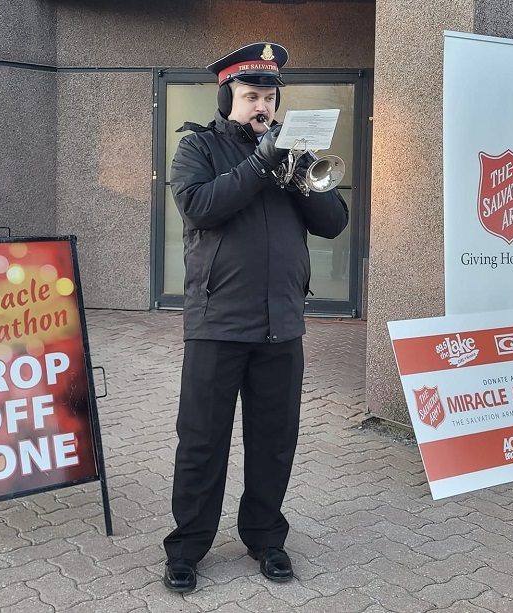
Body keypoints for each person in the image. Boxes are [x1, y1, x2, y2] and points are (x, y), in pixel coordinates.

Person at [162, 42, 349, 593]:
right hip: (217, 321)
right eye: (250, 96)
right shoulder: (198, 146)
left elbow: (333, 222)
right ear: (228, 98)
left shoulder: (292, 155)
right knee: (202, 440)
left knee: (273, 440)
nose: (261, 105)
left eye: (268, 96)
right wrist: (261, 162)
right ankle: (187, 547)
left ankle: (266, 537)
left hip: (281, 323)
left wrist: (297, 170)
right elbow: (201, 206)